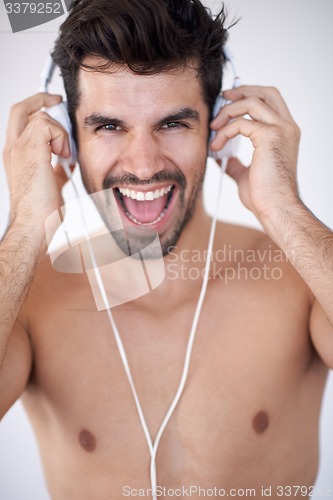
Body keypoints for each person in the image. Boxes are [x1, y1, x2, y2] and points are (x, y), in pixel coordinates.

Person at [0, 0, 332, 498]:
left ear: (217, 129)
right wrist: (26, 226)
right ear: (67, 136)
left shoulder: (299, 279)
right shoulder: (25, 301)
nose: (143, 164)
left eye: (173, 124)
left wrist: (284, 210)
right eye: (108, 126)